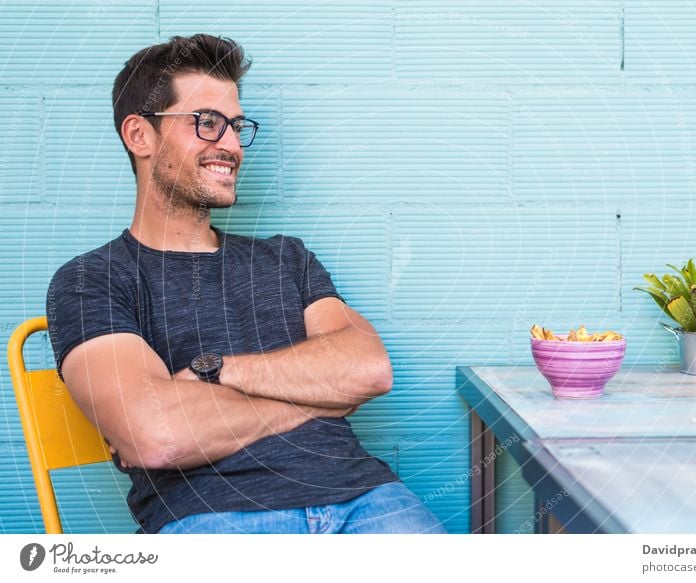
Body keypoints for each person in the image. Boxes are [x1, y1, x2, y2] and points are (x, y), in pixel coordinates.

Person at [46, 34, 446, 534]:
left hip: (365, 499)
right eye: (207, 123)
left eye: (236, 127)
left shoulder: (287, 259)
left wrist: (211, 374)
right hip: (214, 518)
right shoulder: (91, 280)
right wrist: (317, 392)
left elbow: (369, 370)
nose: (232, 145)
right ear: (140, 135)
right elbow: (157, 434)